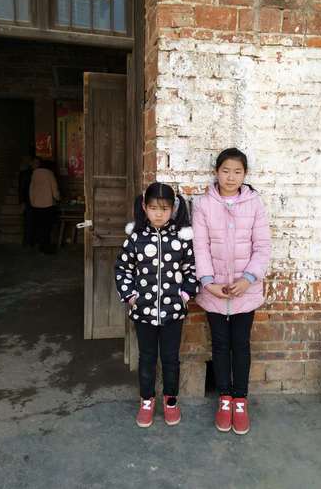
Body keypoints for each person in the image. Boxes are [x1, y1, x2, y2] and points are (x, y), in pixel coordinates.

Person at [192, 148, 271, 435]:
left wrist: (248, 279)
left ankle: (240, 400)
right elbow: (200, 246)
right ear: (216, 172)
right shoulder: (203, 204)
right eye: (225, 170)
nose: (231, 177)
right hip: (214, 290)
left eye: (237, 172)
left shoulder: (254, 203)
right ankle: (224, 398)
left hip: (244, 291)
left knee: (241, 345)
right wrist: (208, 281)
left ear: (245, 174)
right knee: (220, 345)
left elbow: (262, 246)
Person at [115, 182, 199, 428]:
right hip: (143, 312)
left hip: (173, 313)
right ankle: (146, 400)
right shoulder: (136, 238)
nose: (159, 214)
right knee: (147, 358)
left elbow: (191, 270)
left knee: (171, 358)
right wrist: (131, 297)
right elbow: (122, 269)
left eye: (164, 208)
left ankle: (171, 400)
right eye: (153, 208)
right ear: (144, 207)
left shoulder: (181, 239)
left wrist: (185, 295)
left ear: (173, 209)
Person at [29, 158, 60, 254]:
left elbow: (31, 189)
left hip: (36, 204)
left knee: (39, 226)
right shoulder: (50, 174)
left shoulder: (34, 173)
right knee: (47, 227)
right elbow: (55, 190)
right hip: (47, 204)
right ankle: (46, 247)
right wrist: (58, 198)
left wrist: (32, 201)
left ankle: (41, 246)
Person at [18, 156, 34, 247]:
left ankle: (30, 241)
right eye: (34, 162)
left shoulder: (37, 173)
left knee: (32, 221)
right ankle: (27, 242)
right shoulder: (25, 174)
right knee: (28, 222)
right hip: (28, 201)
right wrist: (22, 202)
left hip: (35, 200)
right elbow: (21, 188)